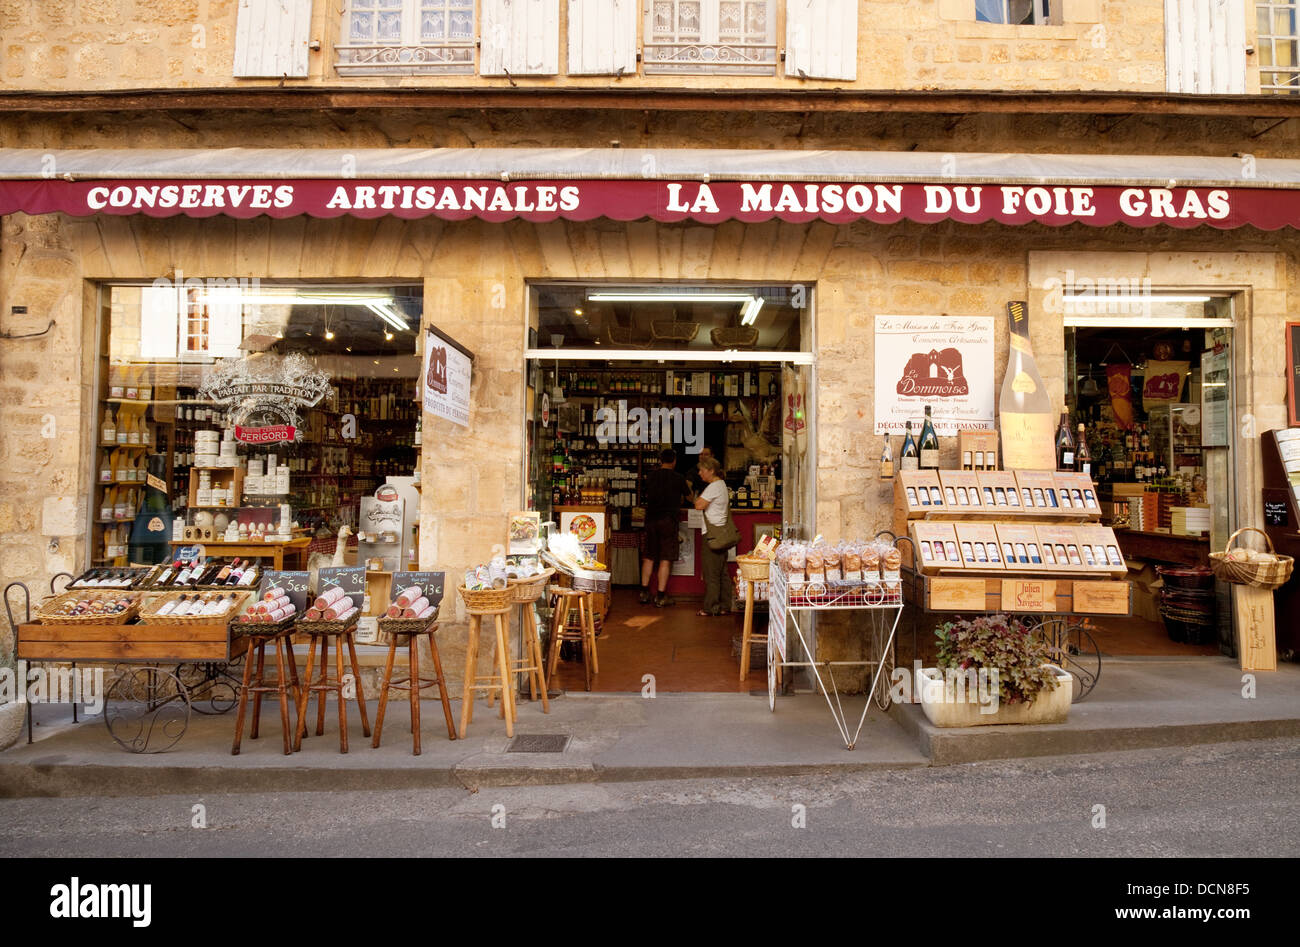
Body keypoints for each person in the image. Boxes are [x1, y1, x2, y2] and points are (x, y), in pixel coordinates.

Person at [640, 448, 692, 607]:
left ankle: (644, 593)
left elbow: (647, 495)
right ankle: (661, 597)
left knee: (649, 556)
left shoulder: (650, 476)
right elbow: (690, 497)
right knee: (665, 558)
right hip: (668, 521)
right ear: (674, 461)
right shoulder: (679, 478)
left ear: (660, 460)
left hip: (651, 520)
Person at [693, 456, 735, 617]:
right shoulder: (722, 485)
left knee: (711, 573)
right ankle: (724, 605)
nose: (699, 473)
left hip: (712, 536)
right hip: (721, 535)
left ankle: (710, 607)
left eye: (702, 470)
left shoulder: (713, 486)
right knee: (722, 572)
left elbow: (698, 505)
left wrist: (699, 496)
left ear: (711, 471)